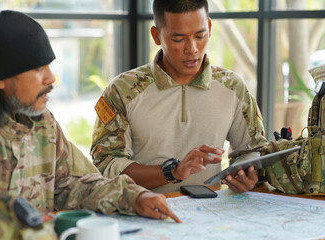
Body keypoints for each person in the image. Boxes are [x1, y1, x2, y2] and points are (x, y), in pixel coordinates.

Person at [0, 10, 180, 223]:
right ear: (0, 79)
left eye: (49, 65)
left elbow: (70, 183)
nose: (51, 78)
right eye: (39, 69)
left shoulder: (43, 124)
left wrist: (134, 197)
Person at [91, 0, 268, 193]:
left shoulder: (233, 86)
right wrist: (172, 172)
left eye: (200, 36)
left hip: (214, 214)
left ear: (209, 27)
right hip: (144, 212)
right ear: (156, 36)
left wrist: (248, 175)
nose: (192, 49)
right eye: (178, 39)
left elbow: (254, 149)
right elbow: (106, 165)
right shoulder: (122, 90)